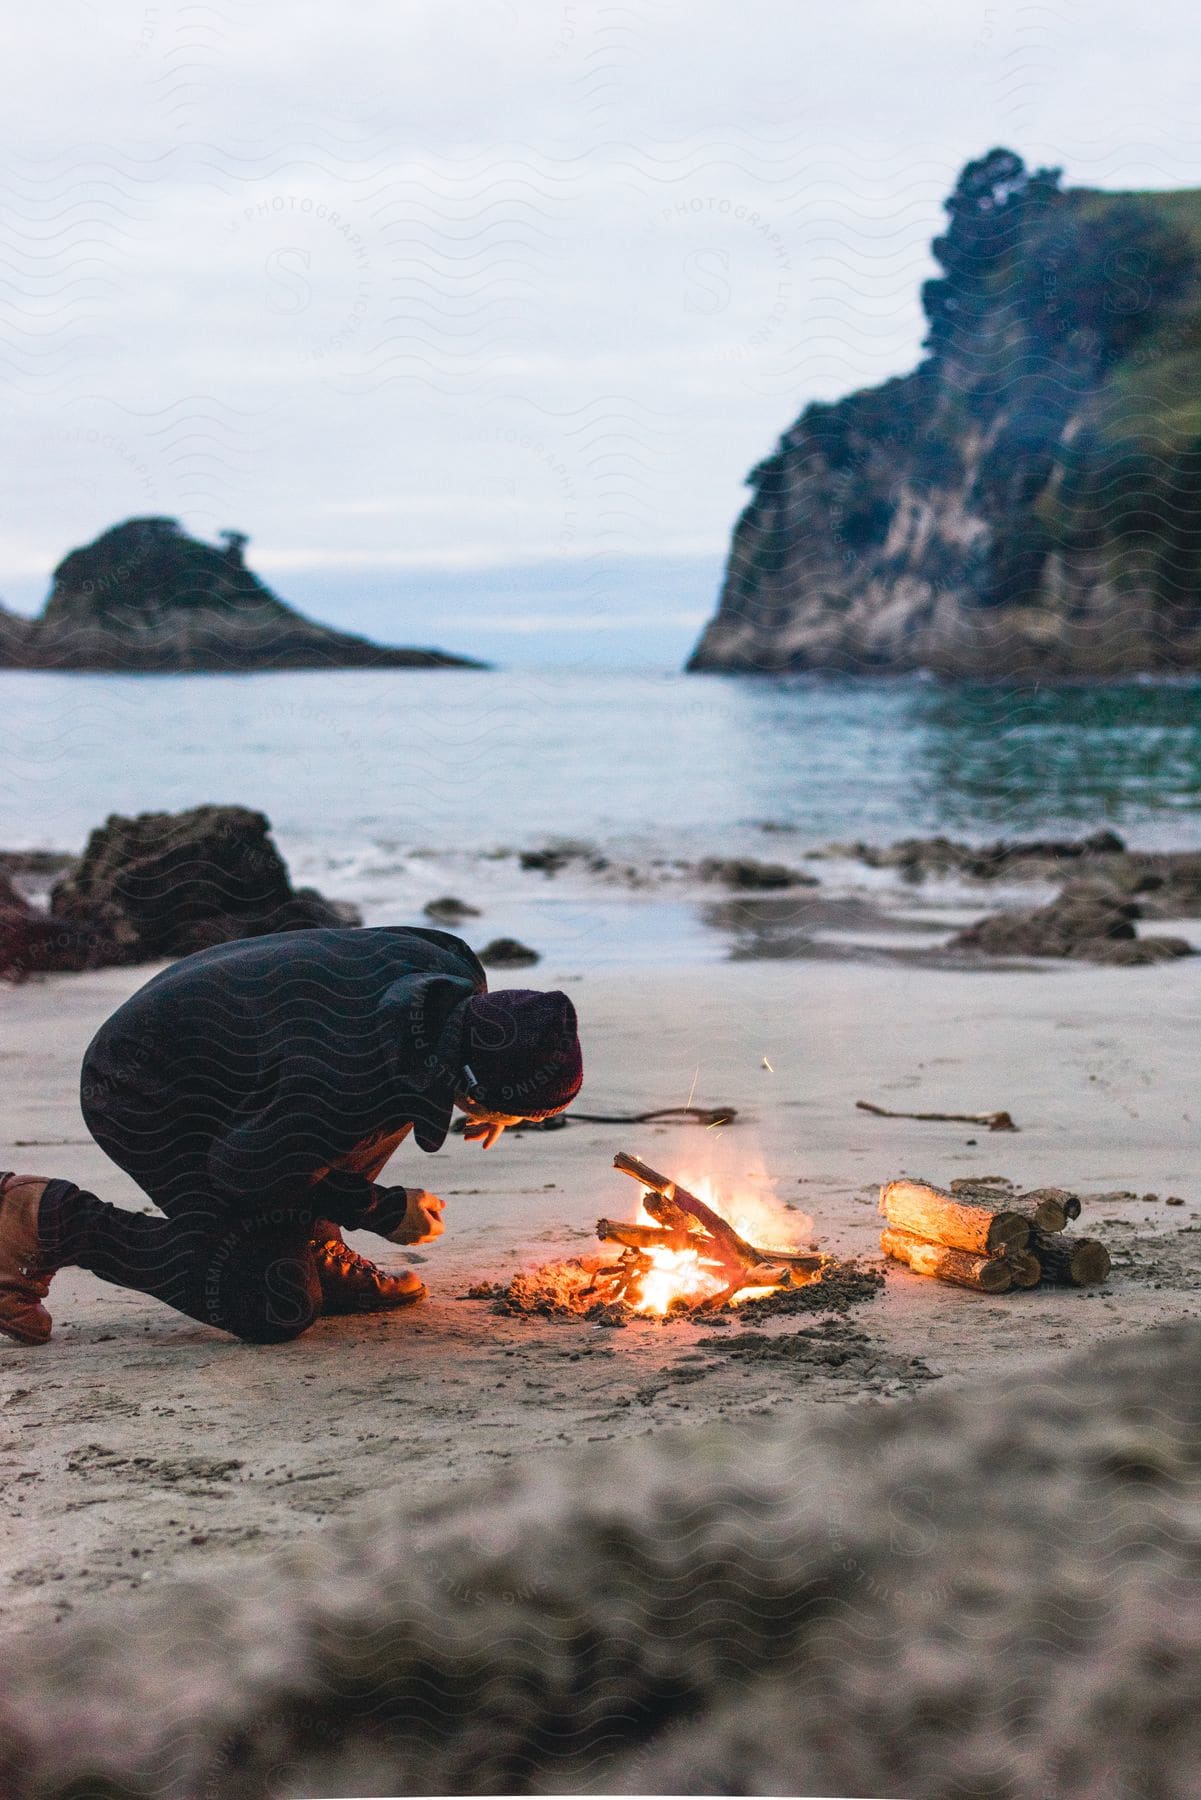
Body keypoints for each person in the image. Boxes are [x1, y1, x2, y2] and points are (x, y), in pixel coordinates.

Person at [0, 926, 582, 1346]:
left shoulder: (452, 976)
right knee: (268, 1302)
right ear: (475, 1087)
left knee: (400, 1084)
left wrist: (491, 1095)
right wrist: (378, 1209)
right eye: (517, 1115)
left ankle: (311, 1242)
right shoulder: (337, 1077)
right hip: (145, 1090)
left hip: (238, 1047)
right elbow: (244, 1170)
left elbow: (435, 1061)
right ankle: (40, 1219)